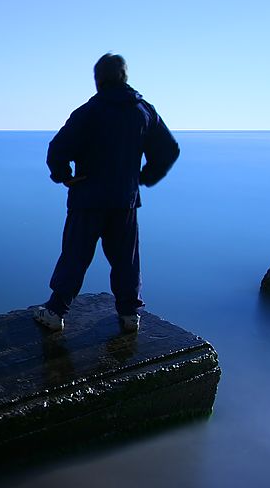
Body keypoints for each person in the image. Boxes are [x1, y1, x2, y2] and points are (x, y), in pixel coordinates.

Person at [34, 53, 180, 333]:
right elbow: (168, 150)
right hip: (124, 201)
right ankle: (129, 315)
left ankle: (56, 312)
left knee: (75, 255)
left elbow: (57, 150)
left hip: (88, 197)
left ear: (98, 80)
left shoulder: (90, 112)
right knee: (126, 259)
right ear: (124, 77)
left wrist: (65, 177)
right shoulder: (143, 111)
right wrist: (143, 178)